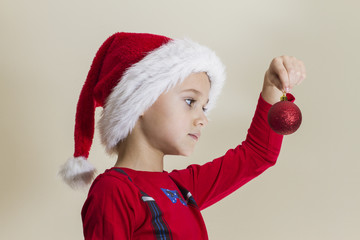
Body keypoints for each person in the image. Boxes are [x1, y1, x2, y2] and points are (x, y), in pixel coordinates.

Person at [59, 32, 306, 239]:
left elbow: (258, 154)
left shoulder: (181, 189)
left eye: (204, 107)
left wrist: (272, 88)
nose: (203, 119)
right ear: (141, 101)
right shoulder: (114, 190)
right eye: (190, 101)